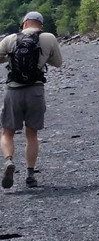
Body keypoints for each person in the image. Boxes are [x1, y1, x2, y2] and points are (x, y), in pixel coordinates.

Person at [1, 11, 63, 189]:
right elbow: (58, 63)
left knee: (7, 132)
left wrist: (9, 57)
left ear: (24, 23)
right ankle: (30, 174)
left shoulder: (11, 38)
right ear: (40, 25)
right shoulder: (48, 37)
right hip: (35, 90)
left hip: (13, 91)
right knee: (32, 134)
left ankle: (8, 161)